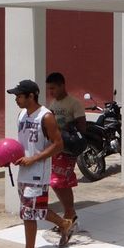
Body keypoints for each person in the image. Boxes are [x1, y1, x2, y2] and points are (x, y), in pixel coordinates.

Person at [6, 79, 74, 248]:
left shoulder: (46, 117)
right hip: (24, 171)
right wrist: (13, 156)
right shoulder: (21, 115)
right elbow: (24, 143)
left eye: (19, 96)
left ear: (31, 96)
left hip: (38, 174)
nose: (16, 99)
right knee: (36, 209)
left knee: (28, 213)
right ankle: (64, 224)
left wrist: (35, 159)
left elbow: (58, 144)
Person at [45, 72, 87, 233]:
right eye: (49, 89)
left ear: (62, 85)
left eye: (53, 88)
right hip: (56, 148)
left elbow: (82, 128)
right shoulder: (53, 104)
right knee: (55, 182)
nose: (51, 92)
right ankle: (70, 215)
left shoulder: (74, 104)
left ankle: (70, 214)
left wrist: (70, 138)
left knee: (61, 182)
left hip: (68, 149)